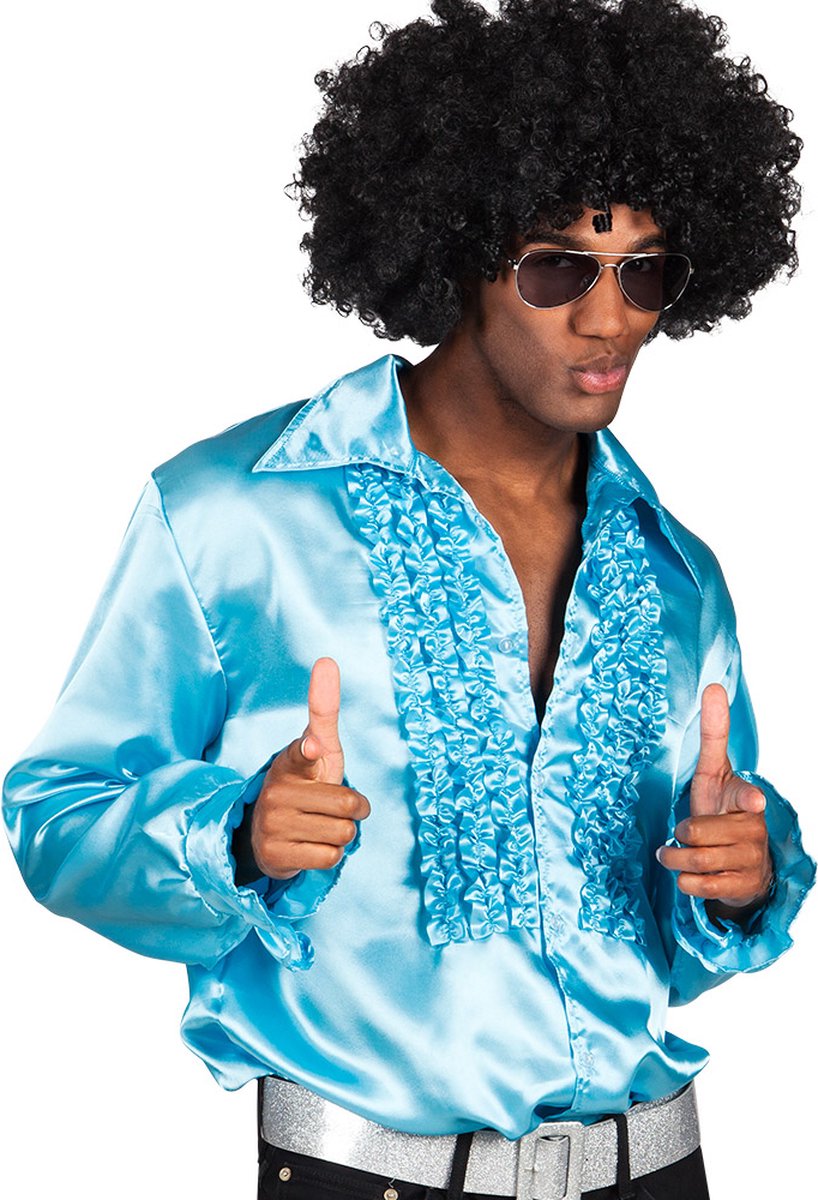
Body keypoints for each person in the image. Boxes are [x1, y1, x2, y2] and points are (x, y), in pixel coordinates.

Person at [3, 1, 815, 1198]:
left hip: (656, 1170)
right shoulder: (232, 514)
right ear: (455, 251)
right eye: (555, 268)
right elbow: (56, 816)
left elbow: (671, 942)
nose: (609, 321)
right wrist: (233, 836)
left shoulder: (673, 569)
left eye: (644, 271)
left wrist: (742, 878)